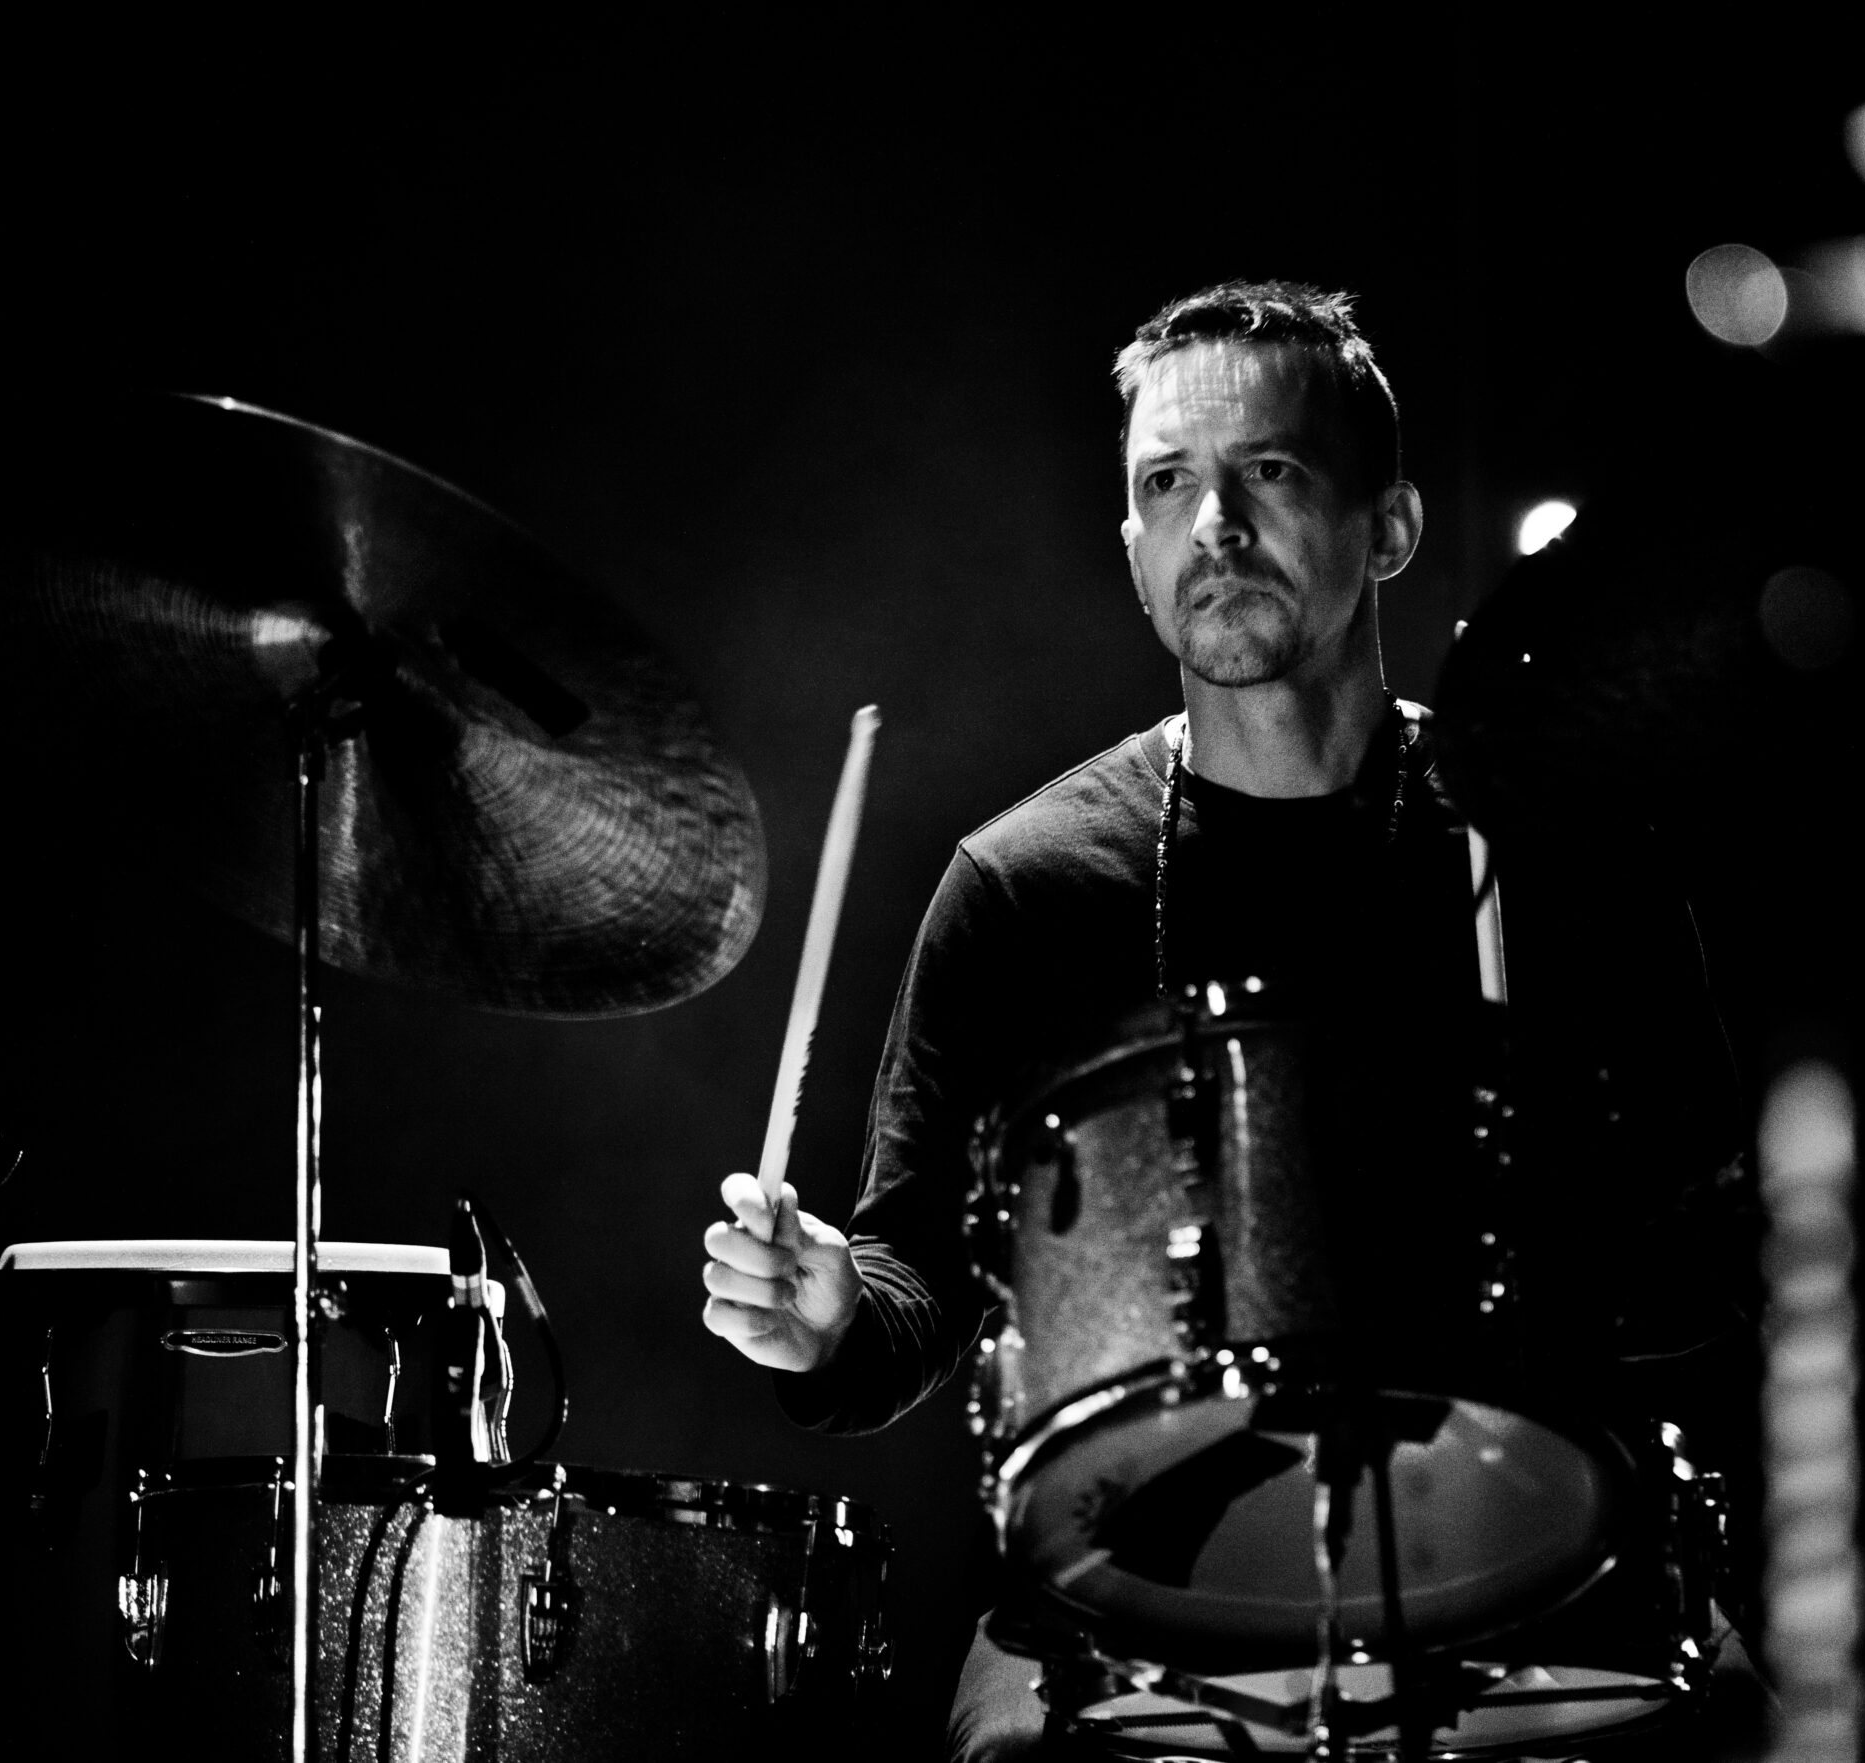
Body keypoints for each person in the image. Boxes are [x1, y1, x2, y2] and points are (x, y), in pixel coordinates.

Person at [701, 281, 1747, 1761]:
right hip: (1144, 1568)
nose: (1216, 525)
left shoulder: (1559, 849)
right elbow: (917, 1276)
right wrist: (827, 1320)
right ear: (1132, 547)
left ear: (1388, 527)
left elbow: (1715, 1258)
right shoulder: (1026, 886)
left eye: (1270, 470)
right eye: (1166, 485)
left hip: (1526, 1549)